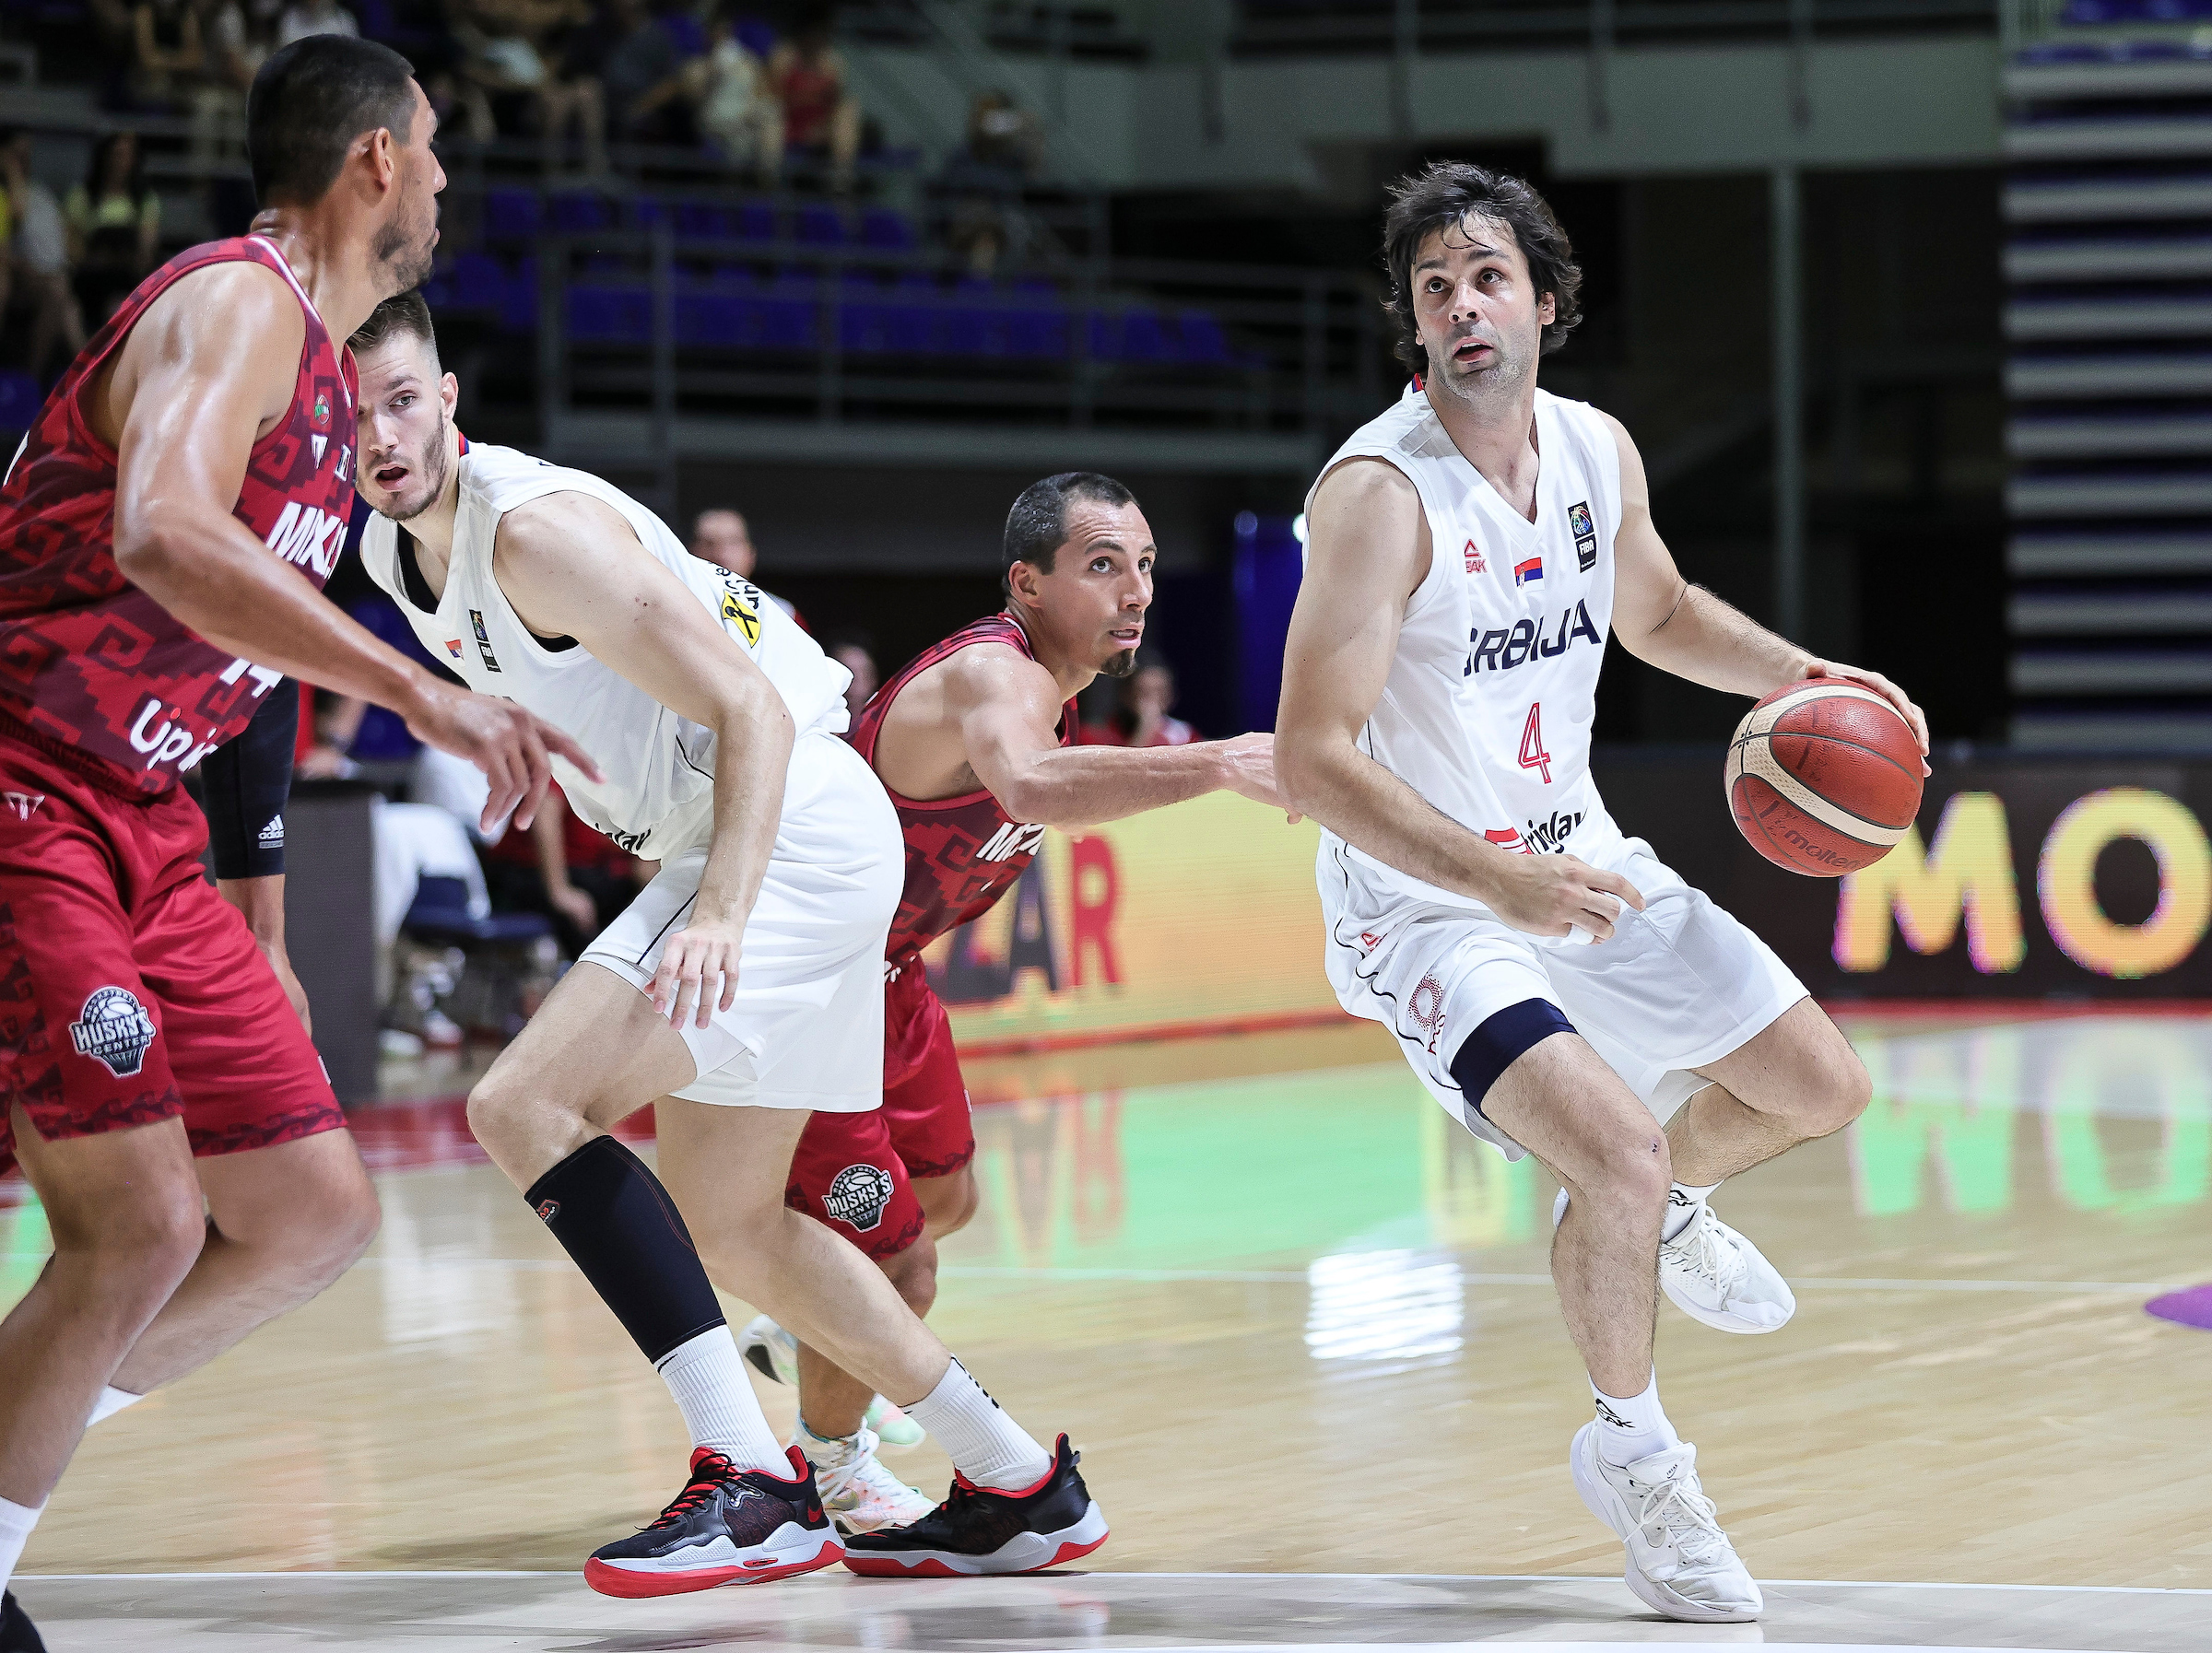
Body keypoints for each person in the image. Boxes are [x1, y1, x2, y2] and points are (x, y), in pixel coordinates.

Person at [349, 290, 1109, 1594]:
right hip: (791, 832)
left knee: (524, 1102)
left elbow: (750, 709)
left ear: (451, 399)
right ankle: (1019, 1481)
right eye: (354, 411)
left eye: (404, 398)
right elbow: (556, 675)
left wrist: (723, 907)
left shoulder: (534, 533)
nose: (381, 432)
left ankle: (751, 1475)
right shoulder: (384, 553)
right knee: (737, 1223)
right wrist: (525, 730)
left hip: (790, 817)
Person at [1275, 161, 1925, 1624]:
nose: (1462, 305)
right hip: (1427, 903)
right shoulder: (1377, 498)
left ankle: (1671, 1199)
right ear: (1413, 328)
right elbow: (1315, 760)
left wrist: (1806, 680)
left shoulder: (1595, 453)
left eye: (1488, 277)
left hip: (1584, 853)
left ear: (1546, 304)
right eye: (1435, 287)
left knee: (1821, 1084)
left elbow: (1660, 611)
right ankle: (1638, 1465)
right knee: (1615, 1159)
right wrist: (1493, 874)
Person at [0, 40, 588, 1651]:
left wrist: (249, 914)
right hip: (26, 779)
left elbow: (241, 666)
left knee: (313, 1211)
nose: (455, 182)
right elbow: (163, 535)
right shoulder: (235, 300)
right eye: (440, 151)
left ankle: (14, 1439)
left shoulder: (328, 385)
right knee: (137, 1223)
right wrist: (426, 695)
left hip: (149, 828)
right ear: (379, 159)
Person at [735, 472, 1289, 1530]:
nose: (1135, 591)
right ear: (1025, 583)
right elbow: (1032, 786)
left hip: (888, 979)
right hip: (810, 986)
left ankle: (800, 1313)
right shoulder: (998, 674)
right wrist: (1214, 762)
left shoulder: (1053, 684)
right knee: (900, 1261)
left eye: (1145, 567)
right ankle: (832, 1476)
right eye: (1101, 566)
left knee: (946, 1199)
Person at [0, 129, 85, 381]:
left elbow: (63, 240)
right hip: (16, 275)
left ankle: (35, 378)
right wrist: (11, 172)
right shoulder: (8, 194)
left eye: (27, 155)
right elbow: (18, 215)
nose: (24, 160)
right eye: (17, 155)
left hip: (48, 276)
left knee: (67, 309)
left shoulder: (41, 194)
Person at [65, 132, 162, 323]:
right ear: (105, 157)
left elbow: (147, 249)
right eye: (116, 154)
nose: (120, 162)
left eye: (127, 155)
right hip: (92, 277)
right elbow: (73, 249)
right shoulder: (82, 197)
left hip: (129, 276)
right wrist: (96, 258)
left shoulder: (144, 200)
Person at [767, 11, 858, 193]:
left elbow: (834, 103)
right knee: (771, 114)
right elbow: (772, 97)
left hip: (818, 127)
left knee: (848, 109)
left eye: (822, 34)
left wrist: (821, 127)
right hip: (787, 122)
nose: (817, 38)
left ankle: (840, 180)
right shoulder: (784, 57)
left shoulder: (833, 63)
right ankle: (769, 182)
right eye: (813, 33)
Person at [689, 4, 781, 184]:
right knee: (741, 143)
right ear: (708, 33)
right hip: (720, 118)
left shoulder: (746, 59)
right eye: (717, 30)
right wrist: (711, 71)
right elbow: (697, 100)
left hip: (745, 114)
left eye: (725, 30)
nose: (722, 34)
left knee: (771, 114)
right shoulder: (699, 65)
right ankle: (734, 191)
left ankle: (768, 179)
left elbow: (761, 90)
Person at [690, 505, 796, 619]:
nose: (721, 554)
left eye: (733, 542)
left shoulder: (782, 612)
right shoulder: (676, 603)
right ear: (691, 552)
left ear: (751, 554)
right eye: (709, 544)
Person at [824, 630, 876, 722]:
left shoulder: (882, 723)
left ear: (873, 679)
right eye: (846, 672)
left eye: (859, 673)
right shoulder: (819, 723)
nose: (852, 682)